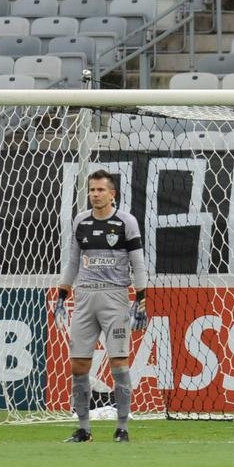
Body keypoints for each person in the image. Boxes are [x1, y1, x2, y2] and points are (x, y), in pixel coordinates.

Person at [54, 169, 148, 443]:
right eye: (92, 190)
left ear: (112, 194)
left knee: (119, 361)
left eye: (100, 190)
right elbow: (73, 261)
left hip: (115, 297)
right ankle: (84, 429)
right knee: (79, 364)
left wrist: (141, 298)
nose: (95, 194)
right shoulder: (81, 221)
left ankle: (122, 428)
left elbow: (138, 263)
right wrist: (62, 293)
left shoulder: (125, 222)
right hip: (84, 298)